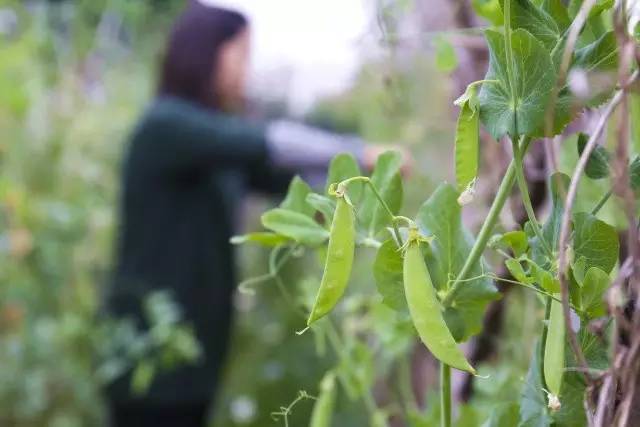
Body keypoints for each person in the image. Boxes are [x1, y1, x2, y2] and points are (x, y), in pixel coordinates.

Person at [105, 1, 404, 426]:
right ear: (206, 51)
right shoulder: (166, 126)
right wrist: (363, 152)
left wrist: (357, 177)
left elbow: (292, 178)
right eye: (241, 54)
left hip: (194, 356)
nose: (247, 69)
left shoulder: (208, 144)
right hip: (150, 357)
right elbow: (269, 142)